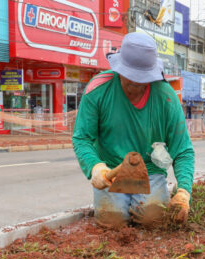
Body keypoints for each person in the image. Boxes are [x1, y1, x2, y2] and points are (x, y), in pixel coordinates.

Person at [72, 32, 195, 229]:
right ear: (119, 69)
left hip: (150, 172)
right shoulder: (98, 90)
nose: (136, 84)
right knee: (111, 221)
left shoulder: (166, 98)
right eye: (130, 78)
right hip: (112, 171)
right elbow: (82, 138)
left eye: (142, 79)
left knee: (153, 219)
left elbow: (183, 151)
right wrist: (95, 167)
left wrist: (183, 192)